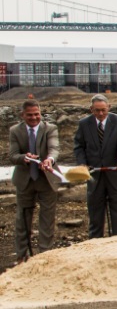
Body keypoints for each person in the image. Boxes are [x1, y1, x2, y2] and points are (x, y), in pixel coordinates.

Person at [74, 94, 117, 238]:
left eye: (103, 110)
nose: (101, 114)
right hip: (95, 177)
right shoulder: (84, 124)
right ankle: (96, 245)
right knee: (95, 215)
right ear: (91, 109)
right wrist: (82, 164)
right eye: (97, 110)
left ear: (109, 107)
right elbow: (79, 146)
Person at [9, 100, 60, 264]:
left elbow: (54, 148)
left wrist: (49, 160)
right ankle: (21, 254)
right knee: (22, 218)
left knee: (47, 218)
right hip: (25, 180)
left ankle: (44, 255)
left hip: (46, 179)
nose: (34, 117)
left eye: (36, 114)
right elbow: (12, 156)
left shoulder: (50, 128)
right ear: (22, 115)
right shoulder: (15, 131)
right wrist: (24, 158)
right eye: (30, 115)